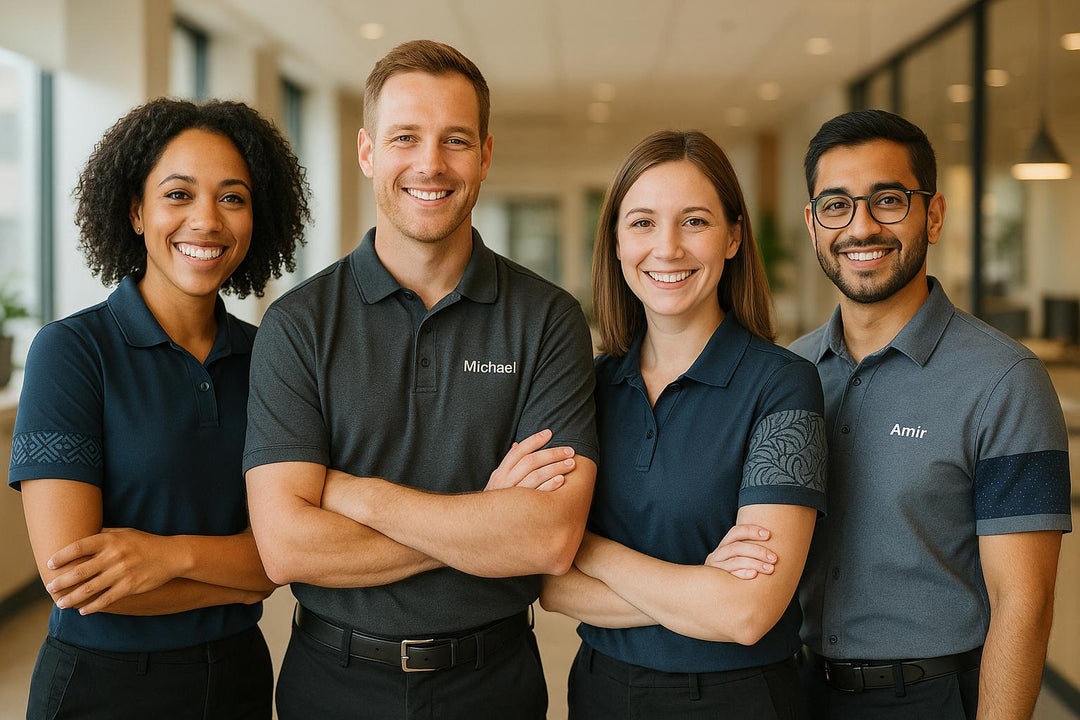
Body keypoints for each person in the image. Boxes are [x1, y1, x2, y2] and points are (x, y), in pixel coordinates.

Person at [243, 40, 598, 720]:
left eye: (455, 140)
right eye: (405, 136)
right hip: (334, 681)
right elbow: (285, 546)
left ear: (486, 156)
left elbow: (547, 539)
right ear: (368, 151)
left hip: (492, 682)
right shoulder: (297, 324)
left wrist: (359, 498)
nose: (430, 163)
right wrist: (484, 521)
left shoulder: (548, 318)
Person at [9, 97, 310, 719]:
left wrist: (166, 556)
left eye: (233, 197)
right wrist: (244, 568)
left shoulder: (271, 358)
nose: (207, 220)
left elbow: (285, 559)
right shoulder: (70, 352)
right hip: (102, 688)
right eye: (178, 194)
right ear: (136, 211)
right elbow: (74, 581)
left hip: (240, 676)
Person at [786, 109, 1072, 718]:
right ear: (813, 224)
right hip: (794, 690)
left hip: (930, 698)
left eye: (888, 200)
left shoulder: (1006, 380)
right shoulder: (788, 373)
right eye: (836, 205)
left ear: (933, 215)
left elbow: (1025, 599)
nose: (861, 227)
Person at [539, 130, 827, 719]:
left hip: (740, 700)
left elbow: (746, 614)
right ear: (616, 242)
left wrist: (582, 548)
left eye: (694, 221)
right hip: (601, 693)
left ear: (733, 237)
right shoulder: (585, 386)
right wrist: (700, 587)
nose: (666, 248)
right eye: (642, 222)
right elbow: (548, 586)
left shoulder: (783, 385)